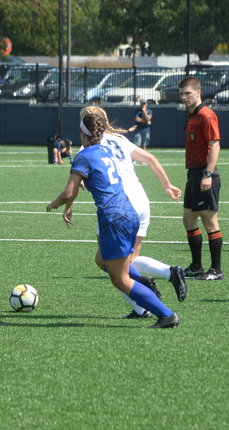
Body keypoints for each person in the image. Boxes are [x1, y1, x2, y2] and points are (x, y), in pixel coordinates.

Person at [46, 112, 179, 328]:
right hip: (129, 212)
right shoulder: (107, 150)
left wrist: (54, 204)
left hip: (113, 216)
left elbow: (68, 192)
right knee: (102, 260)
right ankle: (143, 284)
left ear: (83, 134)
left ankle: (166, 314)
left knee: (120, 279)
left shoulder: (83, 156)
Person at [79, 105, 187, 319]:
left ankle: (145, 303)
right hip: (141, 201)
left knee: (109, 263)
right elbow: (151, 159)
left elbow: (82, 179)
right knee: (126, 260)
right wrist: (167, 185)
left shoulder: (89, 146)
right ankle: (167, 275)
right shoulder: (120, 139)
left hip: (118, 205)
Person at [178, 76, 224, 280]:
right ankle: (196, 266)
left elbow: (215, 145)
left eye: (187, 93)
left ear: (198, 92)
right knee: (188, 219)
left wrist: (208, 174)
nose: (184, 97)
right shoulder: (192, 115)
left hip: (205, 174)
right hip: (193, 174)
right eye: (181, 94)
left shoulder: (206, 115)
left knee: (209, 221)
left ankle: (216, 270)